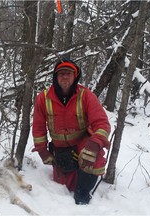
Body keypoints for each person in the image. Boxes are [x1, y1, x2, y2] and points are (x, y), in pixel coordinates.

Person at [32, 58, 111, 205]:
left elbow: (102, 123)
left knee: (95, 158)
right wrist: (43, 151)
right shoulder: (43, 98)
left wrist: (95, 144)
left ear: (75, 76)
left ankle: (83, 195)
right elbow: (38, 127)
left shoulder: (86, 95)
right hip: (60, 150)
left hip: (83, 145)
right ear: (55, 77)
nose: (65, 77)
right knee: (65, 185)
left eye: (69, 73)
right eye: (61, 73)